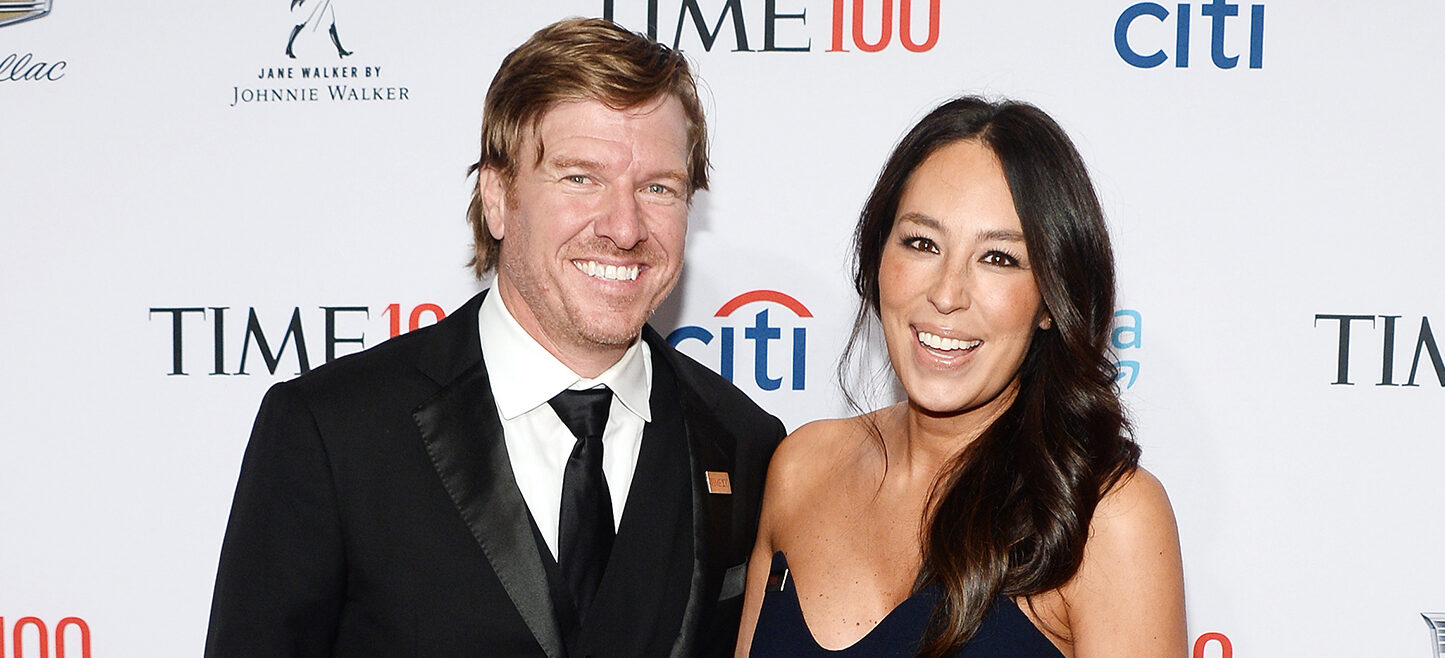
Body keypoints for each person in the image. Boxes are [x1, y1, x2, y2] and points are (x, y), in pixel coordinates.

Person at [206, 18, 785, 657]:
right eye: (579, 177)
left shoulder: (745, 444)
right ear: (498, 197)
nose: (625, 228)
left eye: (658, 188)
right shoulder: (333, 433)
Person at [736, 97, 1186, 657]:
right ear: (878, 260)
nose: (947, 294)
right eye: (922, 244)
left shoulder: (1108, 519)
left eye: (998, 258)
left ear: (1051, 300)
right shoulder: (800, 468)